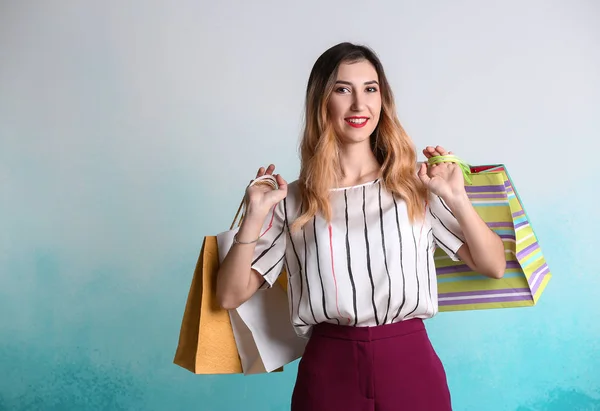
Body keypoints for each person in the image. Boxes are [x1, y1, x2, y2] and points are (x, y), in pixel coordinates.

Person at [216, 42, 506, 411]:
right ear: (322, 102)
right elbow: (229, 295)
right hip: (328, 370)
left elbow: (493, 265)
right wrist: (254, 217)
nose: (359, 104)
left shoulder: (415, 186)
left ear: (382, 99)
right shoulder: (292, 200)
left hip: (410, 364)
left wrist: (458, 199)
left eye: (370, 89)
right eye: (342, 89)